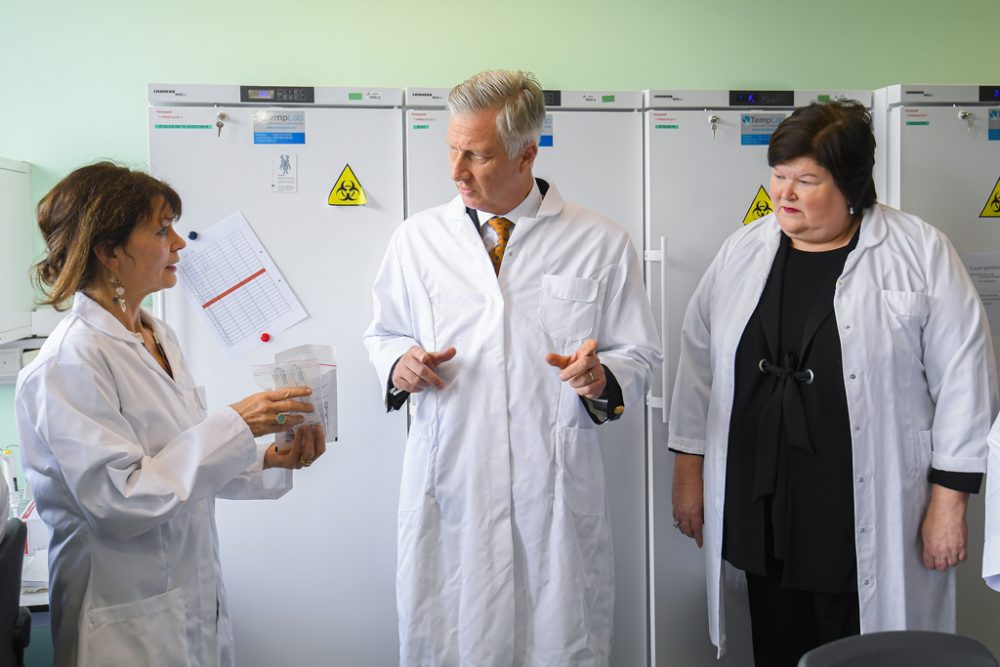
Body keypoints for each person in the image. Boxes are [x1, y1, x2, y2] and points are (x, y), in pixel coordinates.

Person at [669, 100, 998, 666]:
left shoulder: (919, 251)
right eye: (777, 177)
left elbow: (966, 380)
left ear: (849, 183)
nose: (784, 194)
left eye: (805, 180)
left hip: (867, 500)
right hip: (765, 500)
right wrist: (689, 473)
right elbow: (699, 364)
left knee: (866, 647)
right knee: (777, 638)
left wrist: (950, 503)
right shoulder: (744, 250)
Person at [364, 70, 660, 665]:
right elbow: (383, 332)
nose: (456, 171)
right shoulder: (417, 239)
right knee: (450, 639)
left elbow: (640, 353)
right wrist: (401, 363)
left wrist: (601, 378)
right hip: (452, 483)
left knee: (556, 640)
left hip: (551, 491)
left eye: (477, 155)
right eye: (451, 148)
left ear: (528, 152)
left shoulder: (600, 242)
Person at [14, 162, 326, 667]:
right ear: (109, 251)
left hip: (187, 599)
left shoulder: (156, 335)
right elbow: (119, 500)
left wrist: (267, 458)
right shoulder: (69, 362)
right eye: (162, 230)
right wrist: (236, 423)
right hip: (122, 620)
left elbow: (178, 463)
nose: (179, 243)